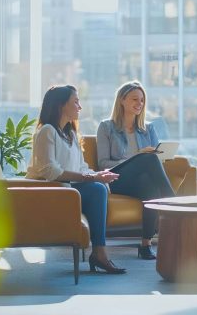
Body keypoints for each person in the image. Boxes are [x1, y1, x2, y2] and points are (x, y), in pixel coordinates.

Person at [26, 85, 126, 274]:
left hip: (68, 191)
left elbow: (81, 167)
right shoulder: (47, 131)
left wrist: (99, 177)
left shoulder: (70, 134)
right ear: (61, 105)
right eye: (75, 102)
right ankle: (99, 253)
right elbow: (51, 171)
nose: (79, 107)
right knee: (96, 189)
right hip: (50, 193)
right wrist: (91, 178)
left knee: (100, 187)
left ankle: (99, 252)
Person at [97, 80, 176, 260]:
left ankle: (145, 245)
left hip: (140, 180)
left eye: (141, 100)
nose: (139, 104)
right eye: (134, 99)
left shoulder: (148, 129)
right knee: (147, 158)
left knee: (149, 186)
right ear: (122, 101)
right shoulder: (106, 127)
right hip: (116, 179)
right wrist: (137, 158)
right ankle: (173, 202)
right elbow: (103, 164)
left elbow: (156, 160)